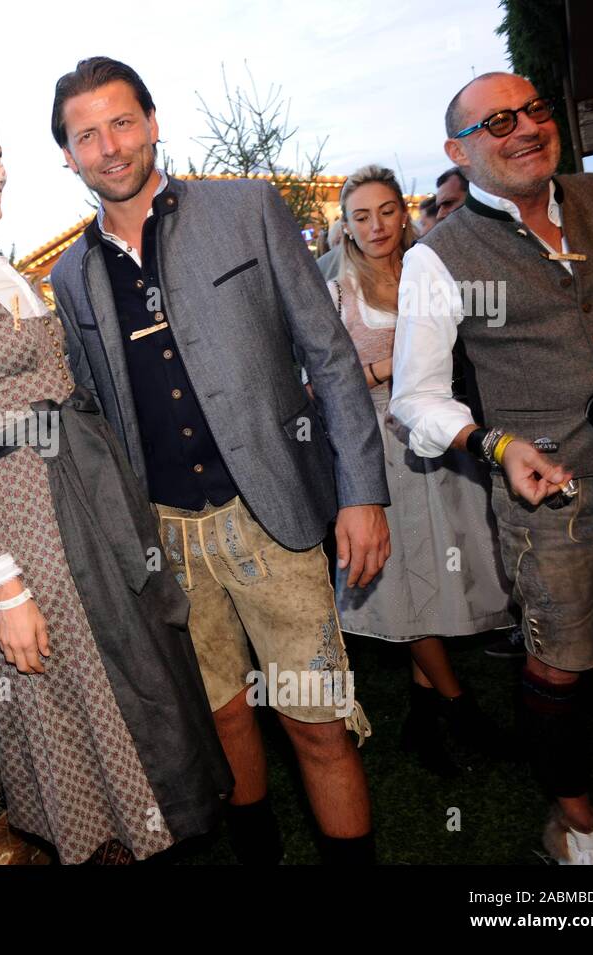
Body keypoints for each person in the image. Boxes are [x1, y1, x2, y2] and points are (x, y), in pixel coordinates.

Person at [48, 57, 389, 865]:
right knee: (224, 717)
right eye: (85, 135)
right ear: (67, 156)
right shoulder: (71, 275)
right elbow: (92, 411)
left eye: (121, 122)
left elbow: (331, 357)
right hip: (166, 535)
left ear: (153, 122)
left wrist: (362, 492)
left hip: (272, 512)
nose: (109, 146)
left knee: (313, 718)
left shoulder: (245, 209)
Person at [0, 101, 232, 864]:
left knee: (142, 680)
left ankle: (178, 831)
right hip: (32, 528)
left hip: (87, 497)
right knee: (102, 715)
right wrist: (8, 590)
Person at [390, 71, 593, 864]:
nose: (526, 127)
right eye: (497, 121)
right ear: (459, 152)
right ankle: (574, 814)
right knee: (562, 661)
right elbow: (416, 398)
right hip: (552, 496)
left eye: (534, 109)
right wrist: (496, 446)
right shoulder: (437, 257)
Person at [329, 164, 514, 776]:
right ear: (347, 227)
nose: (376, 225)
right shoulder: (338, 290)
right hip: (379, 442)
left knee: (433, 572)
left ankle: (423, 719)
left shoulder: (430, 268)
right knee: (405, 574)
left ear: (401, 214)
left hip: (440, 434)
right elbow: (320, 385)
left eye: (386, 211)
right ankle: (461, 708)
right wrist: (389, 371)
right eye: (361, 216)